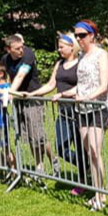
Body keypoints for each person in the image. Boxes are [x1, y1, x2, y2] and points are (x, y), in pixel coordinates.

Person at [25, 33, 89, 195]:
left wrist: (64, 94)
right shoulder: (59, 63)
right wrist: (33, 94)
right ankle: (88, 165)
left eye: (61, 46)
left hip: (78, 111)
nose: (59, 49)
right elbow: (51, 84)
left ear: (71, 46)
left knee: (81, 148)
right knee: (61, 148)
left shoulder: (81, 62)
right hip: (63, 112)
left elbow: (83, 85)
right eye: (59, 46)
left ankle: (83, 181)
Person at [2, 34, 57, 175]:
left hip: (33, 98)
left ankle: (53, 159)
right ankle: (39, 165)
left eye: (22, 47)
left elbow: (21, 74)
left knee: (38, 135)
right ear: (8, 49)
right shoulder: (5, 60)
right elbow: (6, 77)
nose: (21, 50)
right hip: (19, 101)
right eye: (17, 48)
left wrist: (10, 93)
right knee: (29, 136)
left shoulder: (28, 54)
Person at [74, 20, 108, 211]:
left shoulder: (101, 55)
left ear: (91, 35)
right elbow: (81, 84)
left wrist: (87, 97)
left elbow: (103, 85)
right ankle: (97, 191)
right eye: (76, 36)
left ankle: (101, 195)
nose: (78, 39)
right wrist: (66, 94)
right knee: (90, 151)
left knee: (96, 150)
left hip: (98, 107)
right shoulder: (81, 56)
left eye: (82, 35)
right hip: (82, 110)